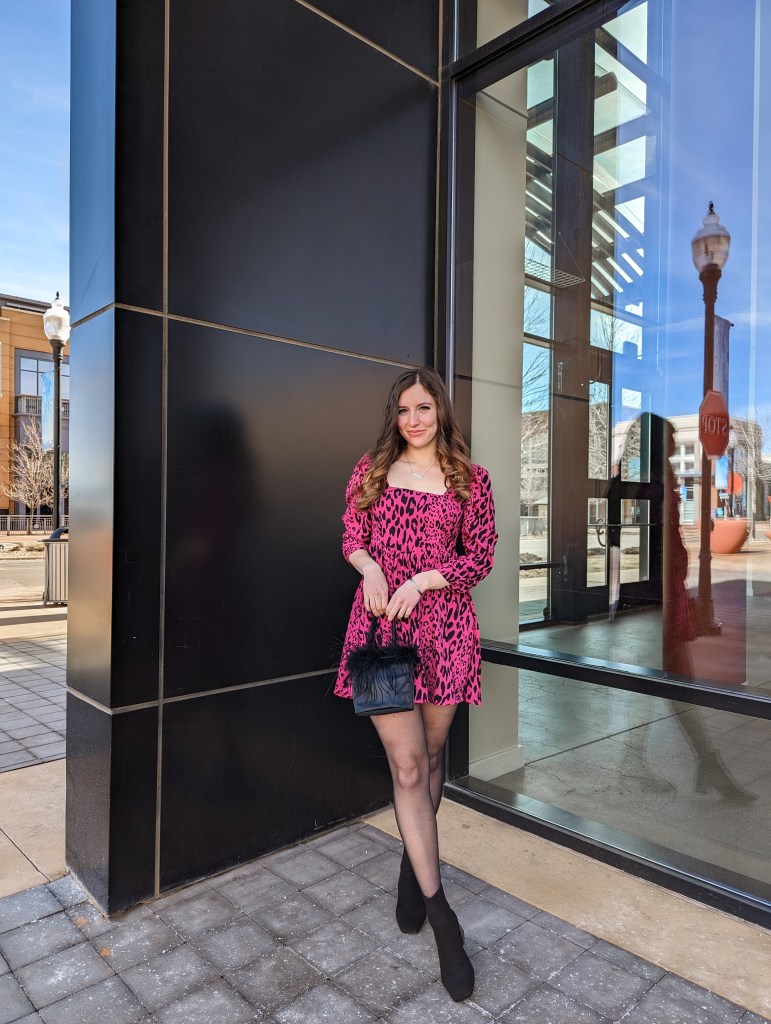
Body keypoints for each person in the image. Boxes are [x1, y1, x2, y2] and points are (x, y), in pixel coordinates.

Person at [334, 367, 497, 1002]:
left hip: (447, 630)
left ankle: (412, 864)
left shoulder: (469, 479)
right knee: (407, 768)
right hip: (378, 634)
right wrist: (371, 569)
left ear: (440, 412)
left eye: (423, 408)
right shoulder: (371, 468)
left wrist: (424, 581)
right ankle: (443, 919)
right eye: (403, 410)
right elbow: (351, 535)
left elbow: (478, 557)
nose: (413, 420)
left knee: (431, 756)